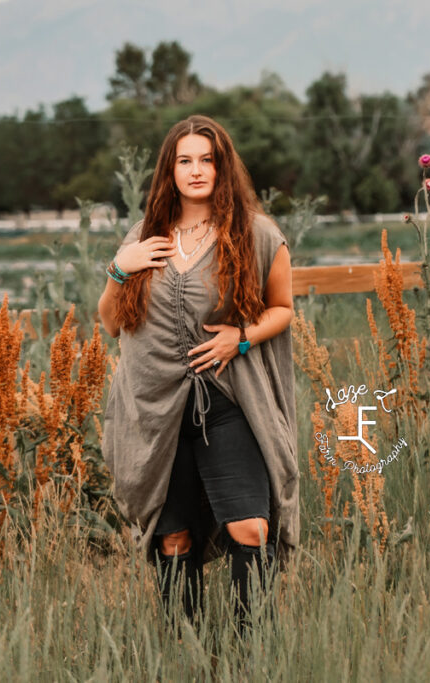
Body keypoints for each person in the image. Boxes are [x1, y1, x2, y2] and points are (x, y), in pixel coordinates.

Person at [98, 115, 299, 633]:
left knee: (251, 527)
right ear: (169, 170)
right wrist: (123, 266)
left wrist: (243, 336)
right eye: (184, 160)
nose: (196, 170)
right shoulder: (143, 238)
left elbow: (282, 308)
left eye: (206, 159)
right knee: (174, 539)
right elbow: (111, 320)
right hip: (154, 410)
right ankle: (184, 647)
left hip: (229, 403)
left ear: (222, 166)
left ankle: (248, 648)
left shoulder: (255, 234)